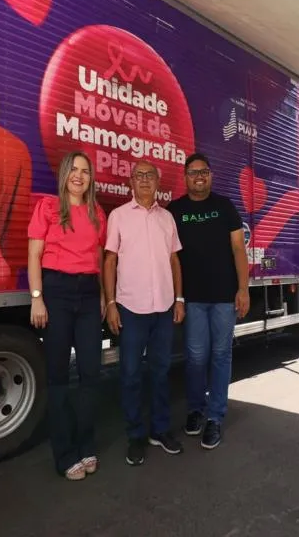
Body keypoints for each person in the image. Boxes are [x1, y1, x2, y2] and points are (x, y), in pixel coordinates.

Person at [27, 150, 107, 481]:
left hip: (89, 294)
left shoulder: (97, 212)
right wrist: (37, 299)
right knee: (58, 377)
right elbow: (34, 254)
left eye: (85, 171)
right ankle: (64, 453)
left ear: (91, 178)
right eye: (73, 169)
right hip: (56, 292)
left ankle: (86, 443)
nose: (79, 175)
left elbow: (99, 256)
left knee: (91, 372)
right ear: (64, 174)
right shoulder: (47, 207)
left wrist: (103, 294)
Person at [103, 161, 186, 466]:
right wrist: (111, 303)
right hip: (131, 308)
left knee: (161, 373)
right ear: (131, 182)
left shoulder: (167, 218)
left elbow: (175, 261)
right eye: (139, 176)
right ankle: (136, 435)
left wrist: (178, 299)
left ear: (158, 181)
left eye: (150, 176)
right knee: (130, 375)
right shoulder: (119, 217)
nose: (145, 180)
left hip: (164, 308)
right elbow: (109, 261)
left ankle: (160, 431)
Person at [167, 152, 250, 450]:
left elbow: (239, 249)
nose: (198, 177)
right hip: (192, 299)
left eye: (203, 171)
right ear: (185, 176)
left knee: (220, 356)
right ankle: (195, 409)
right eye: (193, 172)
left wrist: (243, 288)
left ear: (210, 176)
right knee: (195, 358)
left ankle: (214, 416)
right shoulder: (174, 210)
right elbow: (169, 255)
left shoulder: (224, 206)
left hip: (224, 298)